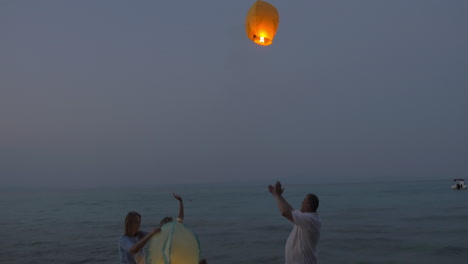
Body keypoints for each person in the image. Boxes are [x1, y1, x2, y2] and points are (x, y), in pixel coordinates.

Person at [268, 181, 321, 264]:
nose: (301, 203)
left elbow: (285, 212)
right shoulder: (306, 217)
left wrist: (278, 195)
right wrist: (278, 196)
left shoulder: (310, 219)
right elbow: (290, 210)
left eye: (303, 201)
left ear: (308, 205)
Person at [159, 193, 208, 264]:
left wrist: (181, 201)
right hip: (176, 260)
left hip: (181, 258)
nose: (174, 223)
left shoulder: (172, 232)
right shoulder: (167, 236)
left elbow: (180, 217)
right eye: (171, 221)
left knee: (203, 261)